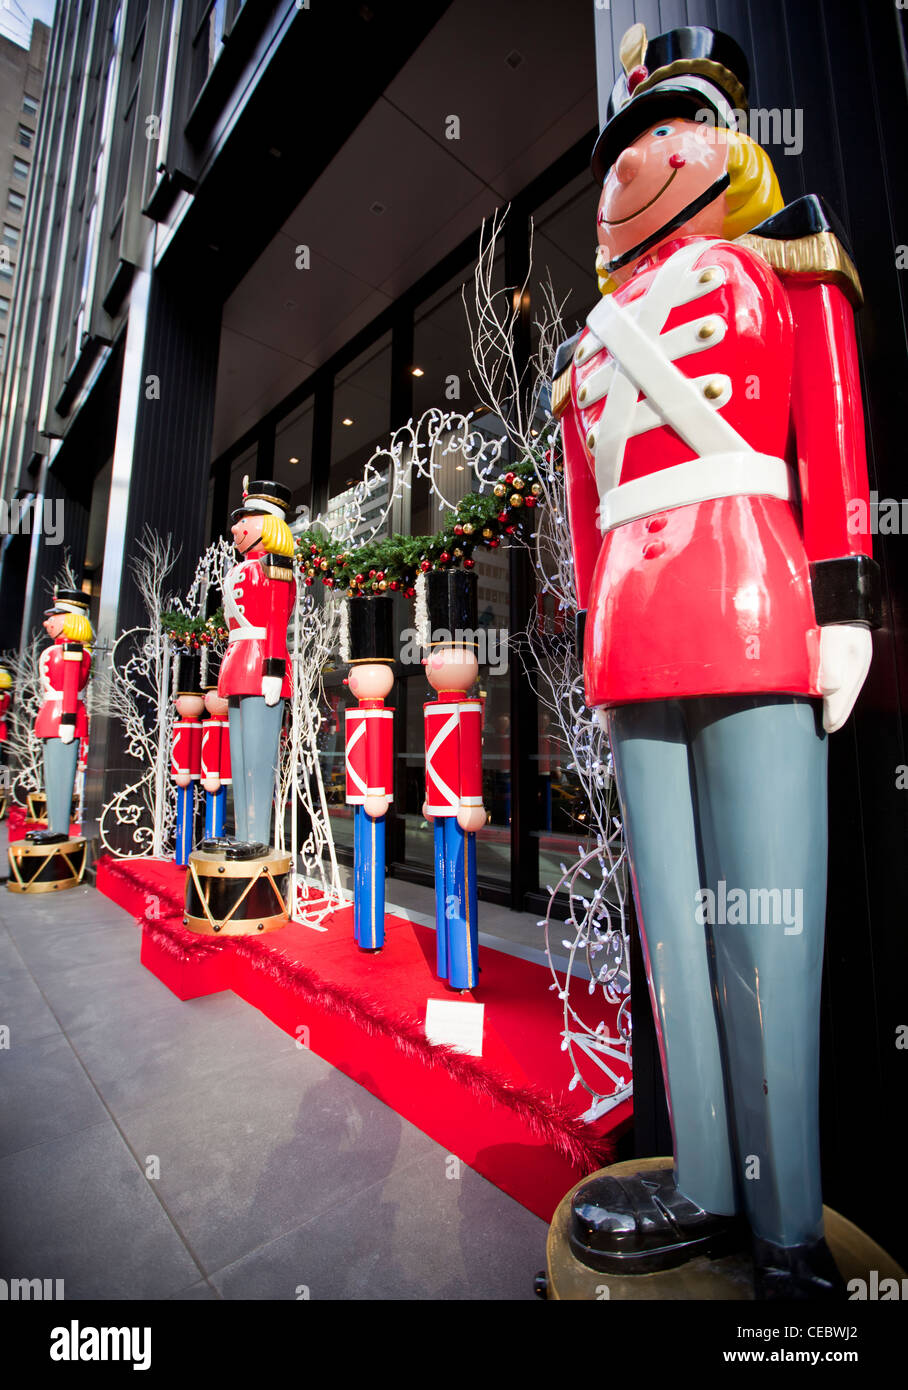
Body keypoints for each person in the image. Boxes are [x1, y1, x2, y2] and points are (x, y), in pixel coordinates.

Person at [552, 23, 879, 1299]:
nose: (635, 155)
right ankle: (700, 1178)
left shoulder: (777, 253)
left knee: (767, 928)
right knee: (674, 941)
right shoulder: (586, 343)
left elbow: (831, 420)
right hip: (633, 632)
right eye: (623, 138)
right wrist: (588, 639)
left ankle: (786, 1220)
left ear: (718, 140)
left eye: (661, 125)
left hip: (752, 596)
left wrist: (843, 595)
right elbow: (588, 523)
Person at [217, 479, 295, 849]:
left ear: (266, 523)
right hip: (237, 665)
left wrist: (274, 671)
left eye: (244, 520)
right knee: (240, 760)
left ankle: (258, 840)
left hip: (262, 664)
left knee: (259, 762)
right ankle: (244, 836)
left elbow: (277, 620)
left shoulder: (276, 565)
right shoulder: (240, 568)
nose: (235, 528)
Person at [420, 570, 486, 991]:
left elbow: (469, 761)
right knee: (444, 877)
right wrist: (430, 796)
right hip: (442, 803)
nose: (432, 661)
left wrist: (474, 801)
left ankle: (461, 967)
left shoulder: (470, 708)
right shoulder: (431, 708)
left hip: (460, 806)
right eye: (433, 653)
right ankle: (448, 964)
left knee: (458, 882)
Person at [342, 595, 395, 950]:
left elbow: (376, 753)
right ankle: (367, 932)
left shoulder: (381, 715)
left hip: (373, 797)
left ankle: (371, 933)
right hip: (365, 796)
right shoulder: (357, 714)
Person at [29, 587, 93, 844]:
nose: (47, 622)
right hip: (51, 715)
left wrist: (68, 720)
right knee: (52, 775)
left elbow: (69, 686)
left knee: (61, 774)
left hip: (65, 718)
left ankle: (59, 828)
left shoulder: (74, 651)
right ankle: (54, 825)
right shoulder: (59, 649)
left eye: (54, 617)